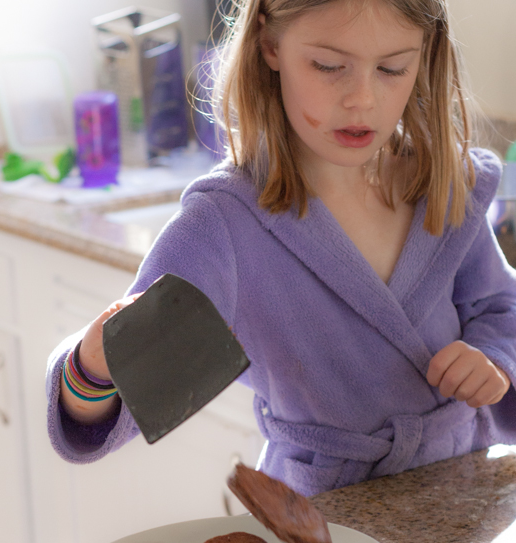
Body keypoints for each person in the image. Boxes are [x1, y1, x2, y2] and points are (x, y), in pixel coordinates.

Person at [47, 0, 516, 497]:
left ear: (426, 56)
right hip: (323, 516)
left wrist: (493, 358)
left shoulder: (441, 184)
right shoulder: (225, 224)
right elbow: (129, 389)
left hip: (464, 489)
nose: (362, 98)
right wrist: (92, 370)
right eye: (329, 66)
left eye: (391, 68)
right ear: (270, 45)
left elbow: (499, 307)